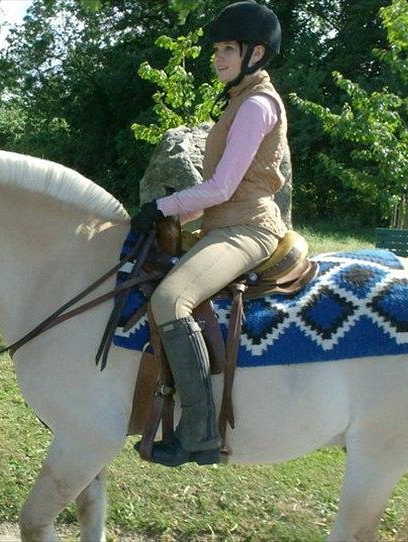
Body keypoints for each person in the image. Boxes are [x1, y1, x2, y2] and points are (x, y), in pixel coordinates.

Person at [131, 0, 289, 467]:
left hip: (248, 228)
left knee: (169, 300)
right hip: (223, 222)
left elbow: (221, 187)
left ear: (255, 54)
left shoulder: (257, 105)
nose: (217, 57)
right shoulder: (239, 101)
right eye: (216, 48)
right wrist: (172, 220)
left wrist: (162, 206)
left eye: (227, 49)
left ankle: (198, 433)